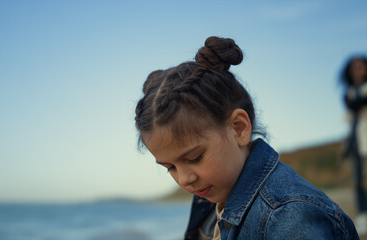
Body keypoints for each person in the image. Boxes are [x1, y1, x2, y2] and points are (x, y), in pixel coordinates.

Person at [134, 36, 359, 239]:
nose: (183, 179)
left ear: (238, 129)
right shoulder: (210, 198)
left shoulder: (289, 218)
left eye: (194, 157)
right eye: (169, 167)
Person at [341, 56, 367, 235]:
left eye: (361, 66)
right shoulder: (350, 92)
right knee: (358, 181)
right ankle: (363, 216)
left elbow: (356, 105)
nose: (358, 71)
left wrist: (355, 104)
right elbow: (350, 115)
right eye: (354, 68)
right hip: (357, 141)